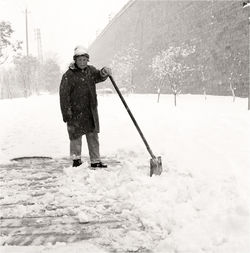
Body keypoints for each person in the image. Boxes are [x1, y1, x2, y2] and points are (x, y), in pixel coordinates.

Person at [59, 45, 111, 168]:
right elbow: (64, 95)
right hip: (75, 111)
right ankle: (76, 160)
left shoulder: (90, 71)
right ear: (75, 61)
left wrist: (103, 72)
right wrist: (67, 111)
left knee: (93, 136)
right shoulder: (68, 75)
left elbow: (99, 76)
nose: (82, 62)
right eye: (79, 60)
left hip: (90, 110)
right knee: (75, 136)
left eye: (84, 60)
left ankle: (95, 160)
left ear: (87, 60)